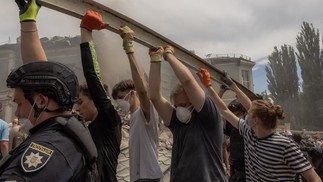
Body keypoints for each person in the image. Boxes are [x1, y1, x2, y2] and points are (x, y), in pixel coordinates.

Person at [0, 1, 99, 181]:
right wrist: (28, 20)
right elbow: (44, 76)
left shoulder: (49, 148)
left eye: (20, 103)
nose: (17, 112)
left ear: (42, 101)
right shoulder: (64, 129)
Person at [196, 68, 321, 181]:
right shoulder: (249, 133)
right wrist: (218, 86)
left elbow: (314, 179)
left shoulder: (284, 145)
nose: (246, 115)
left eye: (249, 113)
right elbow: (224, 110)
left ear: (256, 120)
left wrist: (212, 86)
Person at [148, 45, 227, 181]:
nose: (179, 109)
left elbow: (188, 82)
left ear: (194, 103)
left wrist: (169, 56)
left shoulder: (209, 119)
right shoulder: (177, 124)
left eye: (184, 105)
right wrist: (155, 59)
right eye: (177, 105)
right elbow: (155, 97)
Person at [110, 25, 163, 182]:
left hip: (149, 178)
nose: (119, 102)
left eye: (121, 97)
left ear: (132, 93)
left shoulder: (146, 113)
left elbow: (143, 90)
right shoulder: (133, 118)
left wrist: (129, 49)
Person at [75, 10, 122, 182]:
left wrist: (86, 31)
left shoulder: (109, 120)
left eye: (80, 102)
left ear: (95, 98)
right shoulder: (89, 128)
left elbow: (92, 75)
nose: (77, 108)